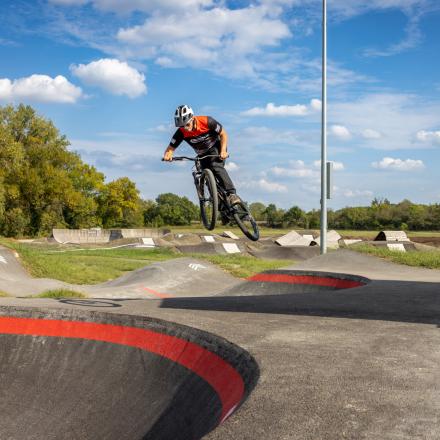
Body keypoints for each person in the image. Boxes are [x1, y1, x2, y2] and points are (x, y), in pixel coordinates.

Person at [162, 104, 241, 206]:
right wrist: (168, 155)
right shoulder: (181, 132)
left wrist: (223, 151)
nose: (185, 128)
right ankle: (222, 208)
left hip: (216, 148)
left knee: (216, 167)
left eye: (187, 124)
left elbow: (223, 134)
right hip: (202, 154)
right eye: (181, 126)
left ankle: (232, 194)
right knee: (207, 179)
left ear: (192, 118)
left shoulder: (207, 121)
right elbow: (170, 148)